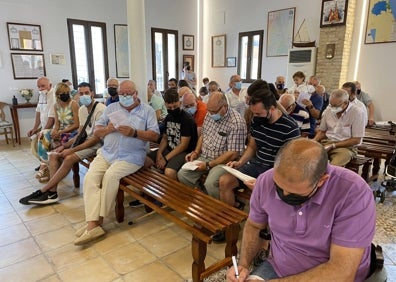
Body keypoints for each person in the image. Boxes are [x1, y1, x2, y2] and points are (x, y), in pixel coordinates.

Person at [226, 138, 376, 282]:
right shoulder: (266, 181)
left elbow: (341, 273)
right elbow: (254, 226)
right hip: (279, 268)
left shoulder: (353, 192)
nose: (284, 196)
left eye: (295, 194)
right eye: (279, 187)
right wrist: (243, 265)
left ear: (321, 180)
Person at [74, 79, 159, 245]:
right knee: (91, 178)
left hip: (131, 157)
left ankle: (96, 221)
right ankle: (94, 223)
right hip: (107, 153)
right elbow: (97, 131)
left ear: (136, 94)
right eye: (122, 94)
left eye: (128, 94)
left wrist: (134, 132)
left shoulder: (147, 111)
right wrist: (108, 129)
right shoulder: (111, 108)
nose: (124, 97)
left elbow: (155, 135)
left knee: (111, 177)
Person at [214, 88, 300, 242]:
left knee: (262, 190)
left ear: (272, 109)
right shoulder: (257, 120)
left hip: (277, 169)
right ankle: (230, 226)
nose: (255, 117)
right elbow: (252, 147)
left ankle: (265, 232)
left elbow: (289, 161)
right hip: (257, 163)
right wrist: (240, 162)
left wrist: (265, 179)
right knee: (224, 181)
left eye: (259, 113)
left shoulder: (290, 127)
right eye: (254, 113)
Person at [19, 82, 106, 205]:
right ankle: (52, 193)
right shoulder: (82, 109)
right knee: (54, 154)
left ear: (92, 93)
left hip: (97, 144)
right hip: (85, 140)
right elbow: (80, 134)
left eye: (86, 93)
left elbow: (95, 139)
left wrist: (71, 150)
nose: (84, 95)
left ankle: (43, 190)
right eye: (81, 93)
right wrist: (64, 146)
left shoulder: (100, 109)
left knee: (68, 157)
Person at [177, 92, 247, 195]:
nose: (211, 114)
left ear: (225, 106)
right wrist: (196, 152)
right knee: (183, 174)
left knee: (210, 183)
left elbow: (233, 153)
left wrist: (209, 165)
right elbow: (203, 135)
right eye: (209, 110)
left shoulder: (236, 122)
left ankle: (217, 207)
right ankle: (203, 197)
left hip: (224, 161)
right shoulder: (209, 114)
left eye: (214, 111)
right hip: (206, 156)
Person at [146, 88, 198, 179]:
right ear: (165, 105)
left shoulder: (187, 119)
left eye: (175, 106)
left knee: (169, 172)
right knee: (144, 160)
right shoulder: (168, 117)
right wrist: (159, 153)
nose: (173, 109)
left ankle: (176, 191)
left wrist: (165, 159)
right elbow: (165, 138)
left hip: (184, 152)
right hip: (170, 148)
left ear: (180, 103)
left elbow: (183, 145)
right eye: (169, 108)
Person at [36, 83, 80, 182]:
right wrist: (55, 131)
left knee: (55, 142)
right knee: (44, 133)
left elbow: (77, 125)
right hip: (62, 131)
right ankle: (44, 164)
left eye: (67, 93)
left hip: (72, 133)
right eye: (62, 93)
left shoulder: (73, 104)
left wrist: (60, 132)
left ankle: (46, 168)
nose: (65, 95)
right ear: (57, 95)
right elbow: (56, 124)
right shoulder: (56, 106)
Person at [313, 89, 366, 166]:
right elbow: (322, 132)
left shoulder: (357, 113)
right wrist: (314, 140)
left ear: (345, 103)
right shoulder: (328, 110)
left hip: (345, 147)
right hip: (326, 143)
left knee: (334, 166)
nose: (332, 108)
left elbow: (356, 140)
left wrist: (333, 146)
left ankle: (329, 177)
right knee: (307, 158)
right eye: (331, 105)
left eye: (335, 106)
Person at [28, 77, 56, 170]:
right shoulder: (42, 95)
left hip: (53, 127)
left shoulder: (54, 95)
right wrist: (35, 128)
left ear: (50, 85)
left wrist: (43, 131)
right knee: (33, 140)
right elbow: (38, 111)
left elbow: (51, 118)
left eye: (43, 86)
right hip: (45, 126)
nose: (40, 88)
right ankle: (43, 162)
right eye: (38, 86)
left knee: (41, 139)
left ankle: (45, 165)